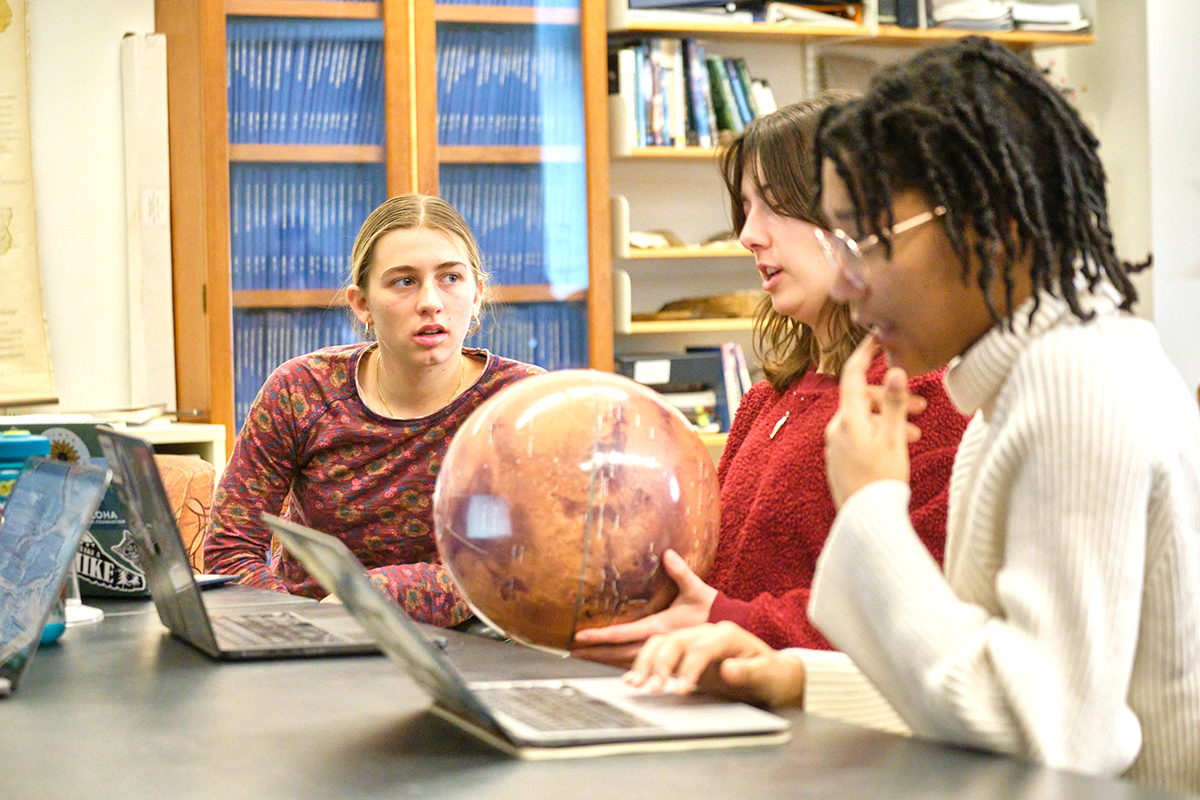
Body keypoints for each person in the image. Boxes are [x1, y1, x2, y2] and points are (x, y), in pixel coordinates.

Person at [623, 36, 1200, 794]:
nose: (853, 285)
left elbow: (1050, 734)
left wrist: (869, 510)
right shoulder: (1025, 381)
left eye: (863, 240)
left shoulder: (1075, 383)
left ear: (991, 228)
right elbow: (986, 678)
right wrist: (796, 676)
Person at [572, 95, 968, 664]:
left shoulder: (922, 395)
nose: (748, 235)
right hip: (718, 703)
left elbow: (921, 615)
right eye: (745, 209)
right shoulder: (766, 401)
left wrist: (726, 621)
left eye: (774, 207)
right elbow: (712, 575)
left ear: (855, 219)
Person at [205, 194, 543, 627]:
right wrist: (291, 625)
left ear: (477, 294)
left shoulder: (523, 403)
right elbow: (231, 547)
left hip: (470, 642)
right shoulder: (301, 390)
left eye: (451, 278)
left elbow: (514, 561)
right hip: (313, 643)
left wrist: (372, 595)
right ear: (361, 304)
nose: (430, 302)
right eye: (403, 281)